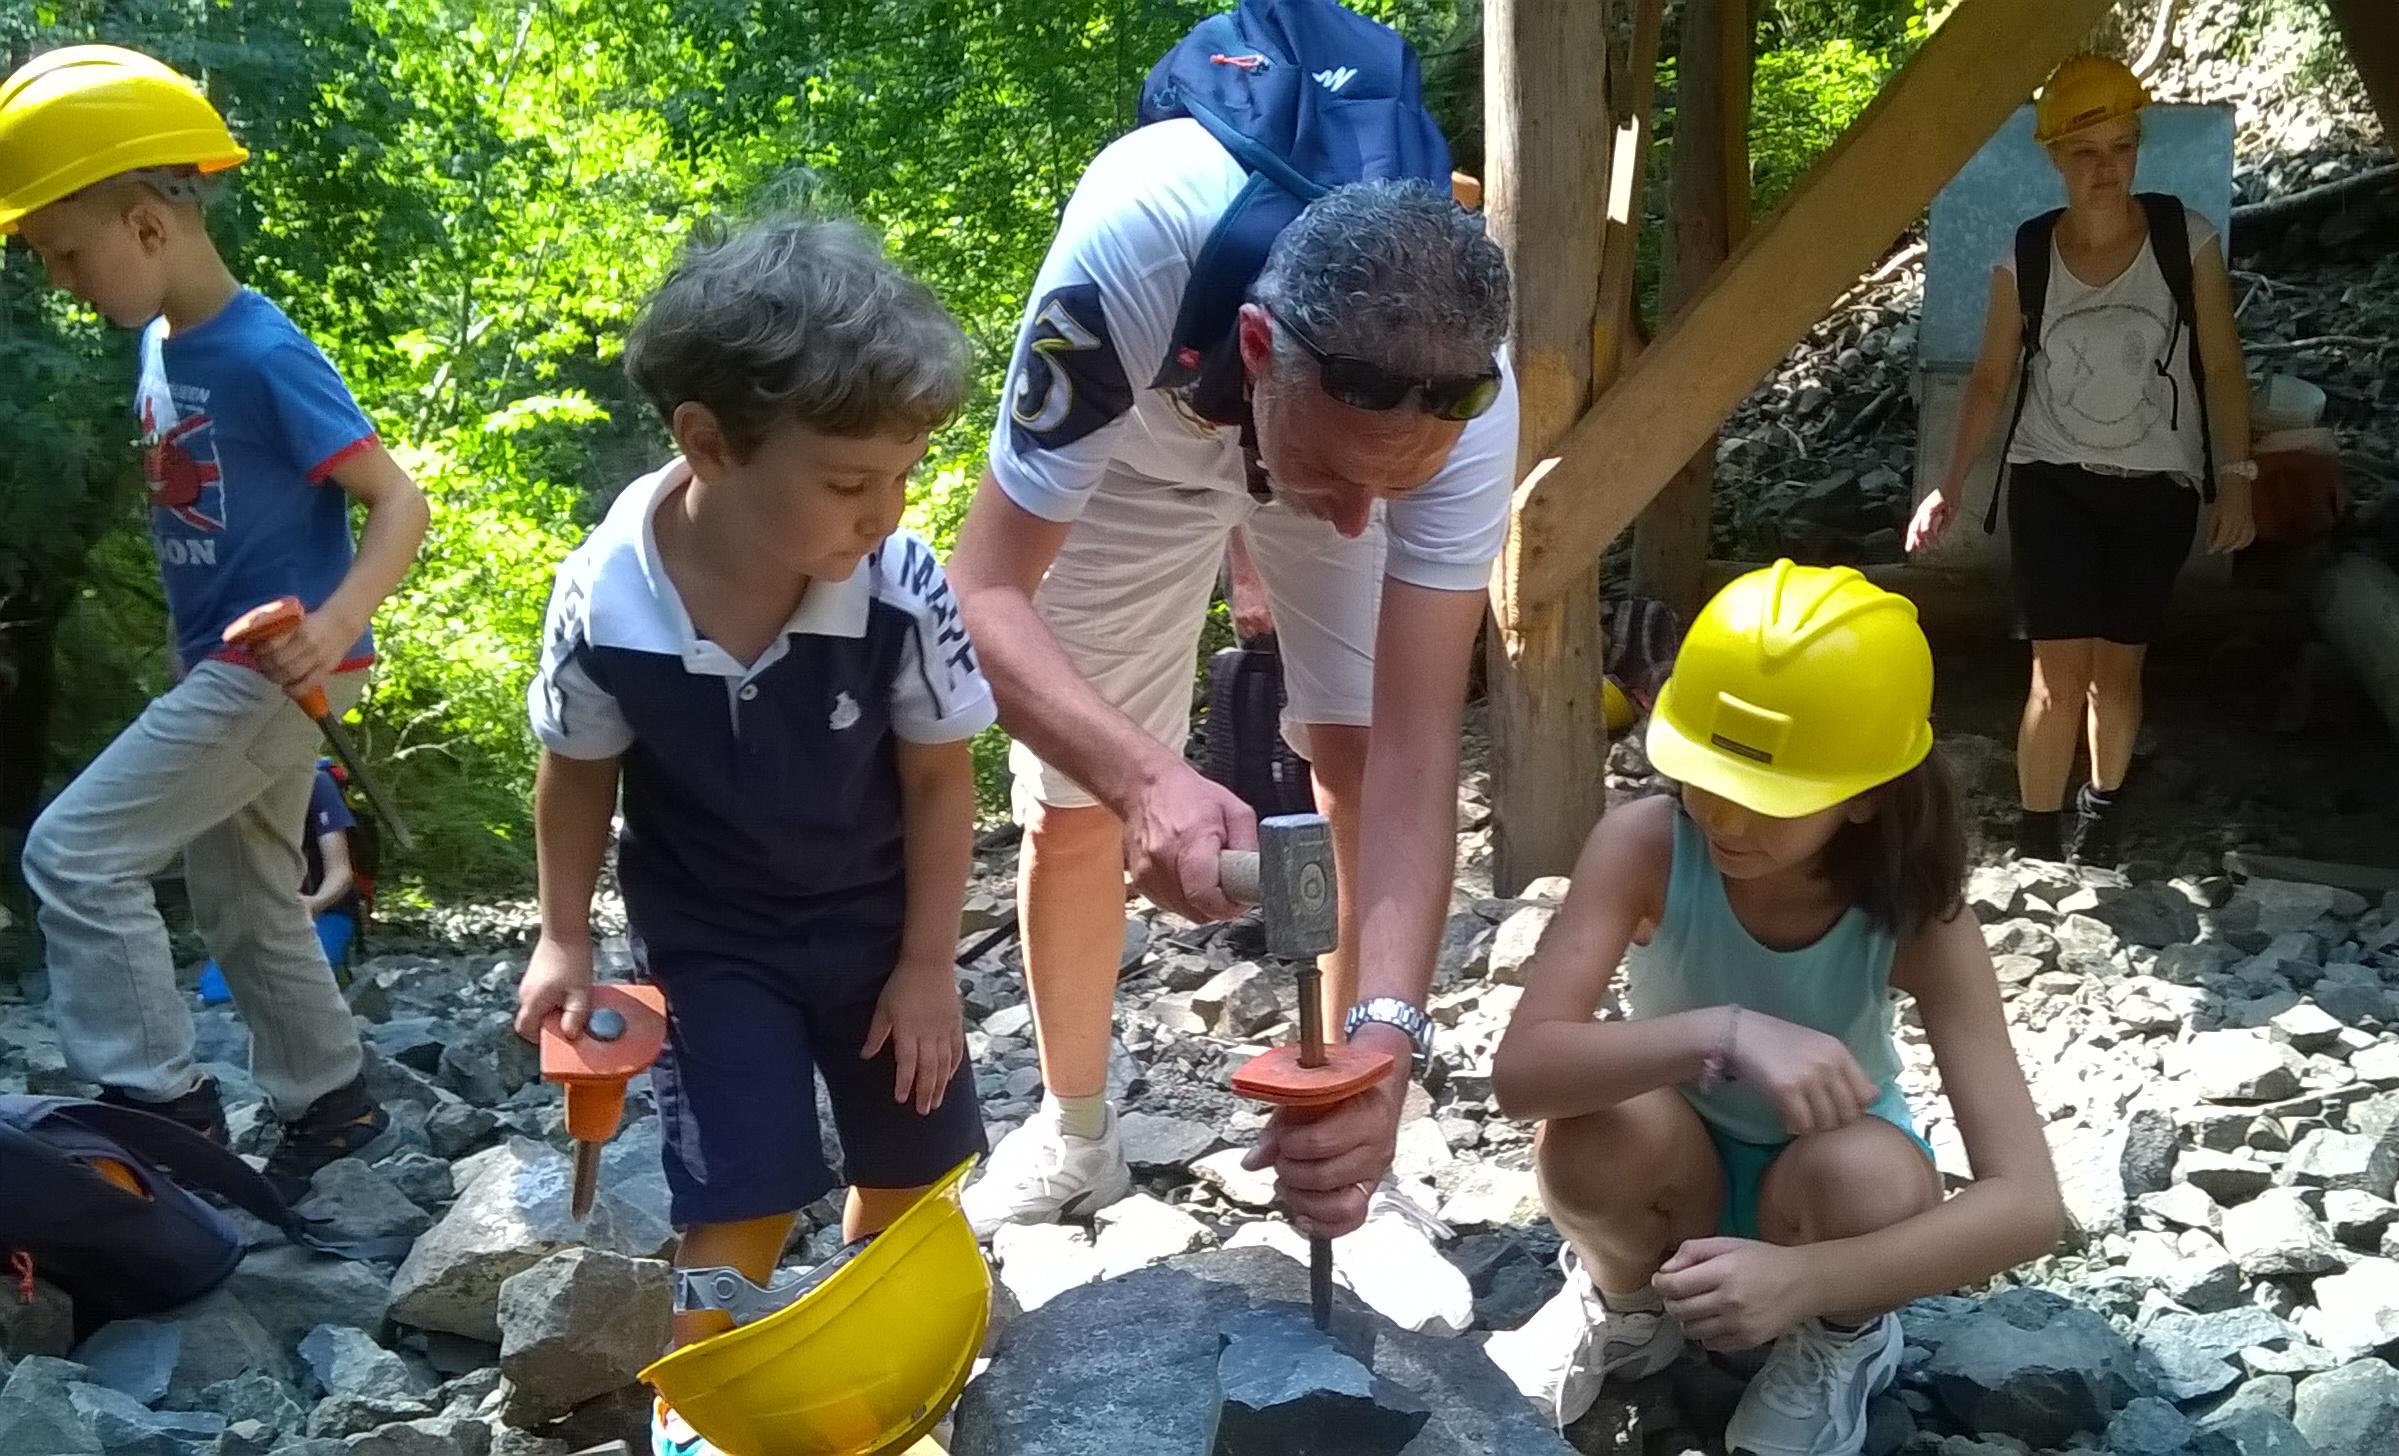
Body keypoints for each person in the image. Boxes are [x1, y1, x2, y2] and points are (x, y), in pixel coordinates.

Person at [948, 138, 1516, 1240]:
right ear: (1257, 348)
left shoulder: (1471, 397)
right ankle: (1074, 1130)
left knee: (1350, 747)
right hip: (1139, 442)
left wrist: (1395, 1036)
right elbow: (979, 597)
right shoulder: (1129, 252)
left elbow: (1414, 746)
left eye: (1397, 490)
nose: (1362, 524)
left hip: (1318, 409)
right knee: (1076, 800)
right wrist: (1144, 778)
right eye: (1349, 481)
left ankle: (1358, 1122)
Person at [512, 212, 992, 1456]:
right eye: (847, 482)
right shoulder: (603, 593)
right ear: (709, 442)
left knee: (916, 1146)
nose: (883, 511)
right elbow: (576, 776)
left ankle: (881, 1360)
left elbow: (944, 780)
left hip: (882, 921)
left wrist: (930, 963)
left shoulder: (900, 585)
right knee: (741, 1175)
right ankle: (703, 1398)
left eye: (905, 474)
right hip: (712, 936)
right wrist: (561, 938)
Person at [1483, 563, 2061, 1452]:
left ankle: (1841, 1339)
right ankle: (1628, 1303)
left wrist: (1813, 1281)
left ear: (1867, 794)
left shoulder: (1916, 917)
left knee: (1867, 1177)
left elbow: (2028, 1204)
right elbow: (1523, 1075)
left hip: (1825, 1198)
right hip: (1671, 1169)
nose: (1726, 821)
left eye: (1772, 800)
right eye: (1707, 779)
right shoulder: (1646, 845)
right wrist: (1725, 1033)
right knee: (1590, 1132)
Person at [4, 45, 431, 1197]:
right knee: (246, 899)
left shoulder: (262, 350)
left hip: (289, 671)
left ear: (147, 226)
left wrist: (333, 622)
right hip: (225, 672)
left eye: (65, 252)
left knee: (76, 852)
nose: (60, 279)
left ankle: (156, 1106)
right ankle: (331, 1111)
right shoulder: (158, 345)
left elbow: (400, 501)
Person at [1906, 53, 2257, 866]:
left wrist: (2236, 478)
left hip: (2157, 485)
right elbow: (1991, 380)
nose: (2108, 168)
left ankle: (2101, 819)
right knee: (2054, 673)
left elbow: (2223, 364)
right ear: (2055, 159)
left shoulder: (2183, 239)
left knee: (2116, 674)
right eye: (2088, 152)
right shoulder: (2022, 255)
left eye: (2122, 147)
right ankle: (2035, 844)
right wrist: (1947, 486)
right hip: (2049, 479)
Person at [199, 761, 365, 1003]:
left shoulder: (316, 783)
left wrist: (315, 903)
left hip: (327, 909)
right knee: (215, 991)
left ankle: (334, 970)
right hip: (266, 914)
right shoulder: (234, 793)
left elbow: (340, 871)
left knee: (293, 983)